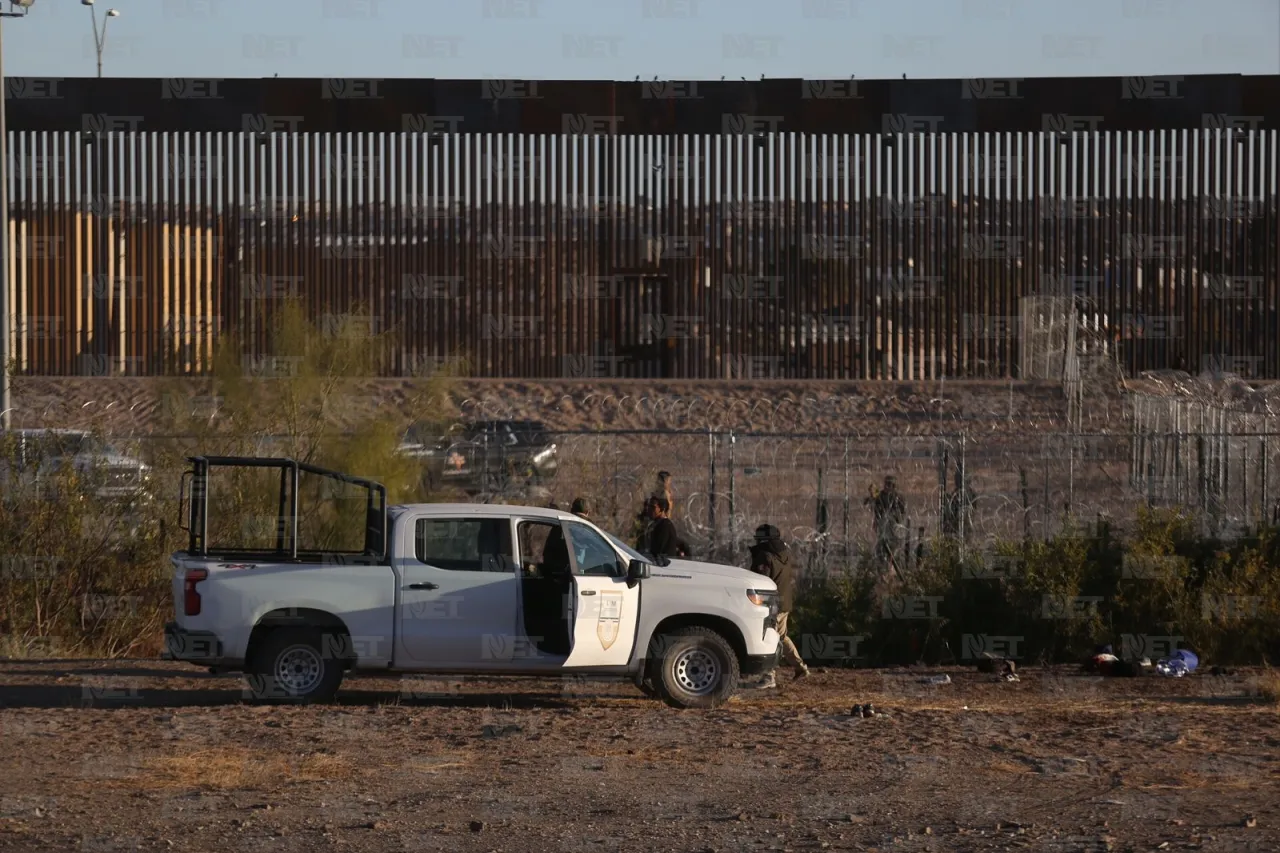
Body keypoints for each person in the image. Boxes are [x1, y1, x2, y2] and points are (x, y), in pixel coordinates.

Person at [746, 524, 809, 689]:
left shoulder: (764, 556)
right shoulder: (784, 555)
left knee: (770, 638)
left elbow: (759, 582)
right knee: (781, 637)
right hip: (784, 603)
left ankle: (769, 675)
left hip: (771, 606)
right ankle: (800, 667)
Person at [865, 475, 907, 570]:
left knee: (892, 551)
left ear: (893, 486)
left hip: (893, 529)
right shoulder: (881, 495)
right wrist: (871, 495)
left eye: (890, 484)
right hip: (883, 527)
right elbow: (872, 503)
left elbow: (902, 514)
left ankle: (891, 569)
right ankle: (885, 570)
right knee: (881, 549)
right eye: (886, 484)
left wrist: (893, 518)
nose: (887, 486)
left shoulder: (898, 498)